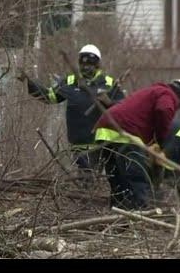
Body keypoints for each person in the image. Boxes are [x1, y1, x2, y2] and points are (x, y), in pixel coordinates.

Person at [18, 45, 124, 177]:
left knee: (95, 178)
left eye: (90, 63)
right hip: (78, 142)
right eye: (83, 63)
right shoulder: (70, 82)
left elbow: (123, 107)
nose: (86, 67)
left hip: (101, 142)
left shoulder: (108, 83)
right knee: (85, 179)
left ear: (97, 64)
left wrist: (109, 102)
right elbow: (50, 97)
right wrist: (29, 83)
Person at [93, 80, 180, 210]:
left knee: (117, 180)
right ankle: (140, 215)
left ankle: (117, 214)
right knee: (137, 177)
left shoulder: (151, 91)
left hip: (104, 130)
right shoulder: (167, 95)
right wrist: (160, 141)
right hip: (125, 133)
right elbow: (164, 109)